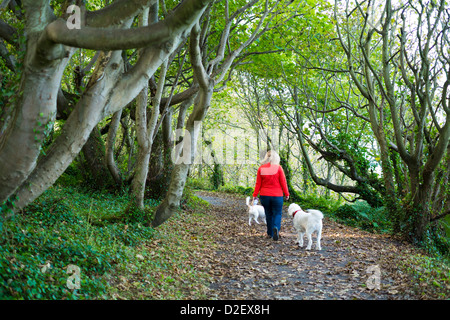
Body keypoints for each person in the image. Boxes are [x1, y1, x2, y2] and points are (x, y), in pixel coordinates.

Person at [252, 150, 289, 241]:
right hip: (277, 195)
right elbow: (283, 182)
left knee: (268, 214)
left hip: (265, 195)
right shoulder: (279, 168)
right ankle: (276, 227)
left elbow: (258, 184)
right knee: (277, 213)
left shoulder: (261, 168)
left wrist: (255, 195)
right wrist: (287, 193)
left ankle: (270, 233)